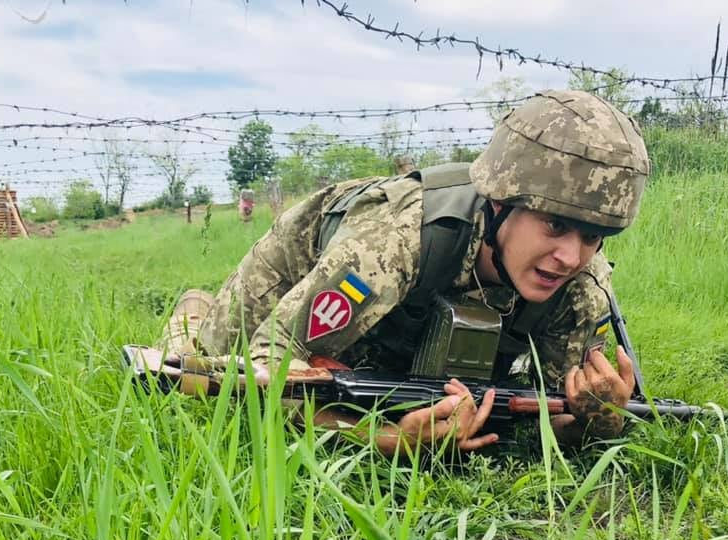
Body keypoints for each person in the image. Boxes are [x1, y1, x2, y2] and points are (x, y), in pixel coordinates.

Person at [162, 89, 650, 457]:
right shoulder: (393, 240)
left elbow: (551, 415)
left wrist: (598, 418)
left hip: (402, 310)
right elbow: (273, 365)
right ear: (500, 203)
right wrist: (386, 439)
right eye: (555, 226)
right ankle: (193, 312)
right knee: (191, 377)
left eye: (593, 236)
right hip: (302, 270)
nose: (571, 257)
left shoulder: (582, 287)